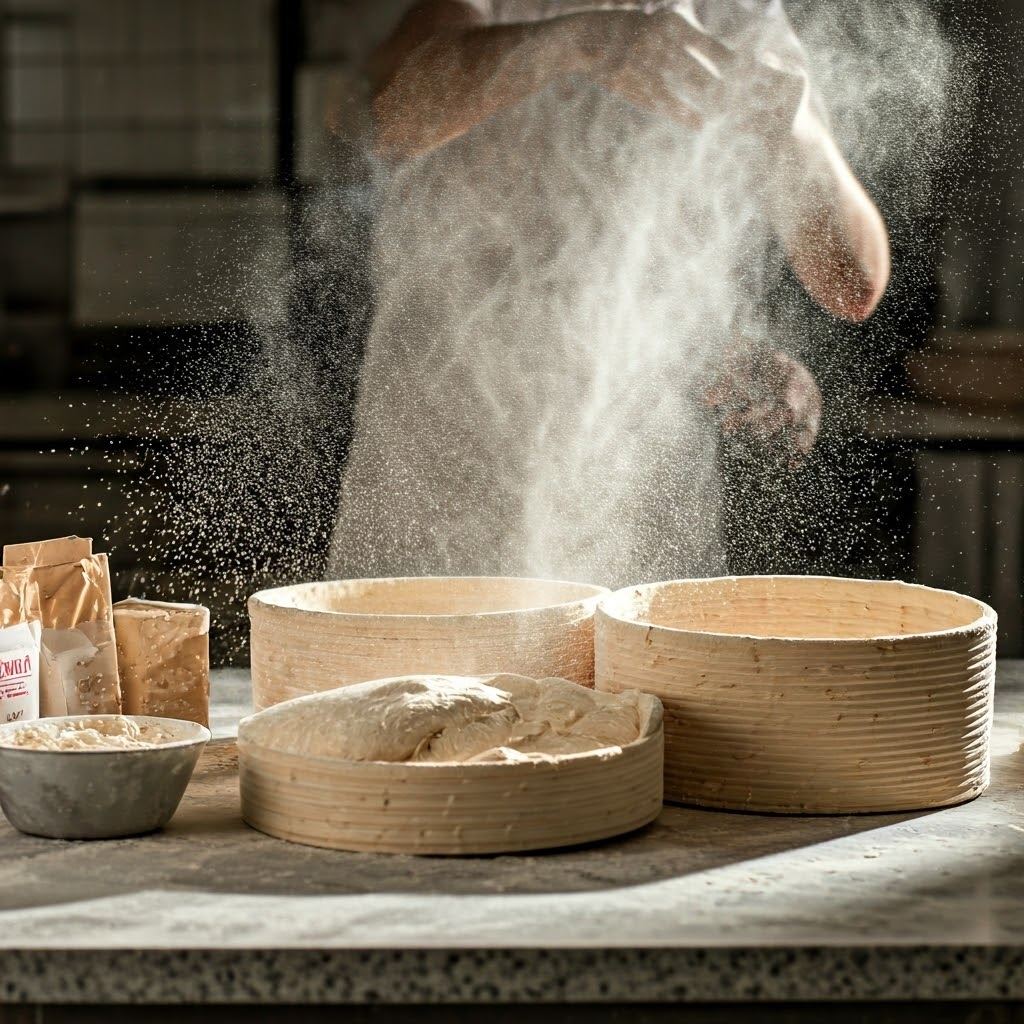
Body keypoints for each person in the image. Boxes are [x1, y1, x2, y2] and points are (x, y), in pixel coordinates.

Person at [326, 0, 890, 587]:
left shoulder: (736, 15)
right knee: (419, 671)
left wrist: (790, 126)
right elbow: (384, 113)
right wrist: (582, 40)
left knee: (644, 673)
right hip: (450, 452)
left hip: (644, 470)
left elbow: (851, 284)